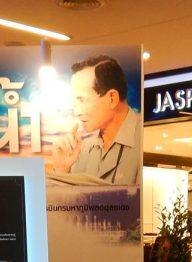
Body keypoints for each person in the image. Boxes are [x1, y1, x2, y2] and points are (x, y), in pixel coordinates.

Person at [51, 55, 141, 185]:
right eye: (75, 102)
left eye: (82, 100)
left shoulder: (144, 140)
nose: (77, 112)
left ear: (112, 98)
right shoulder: (81, 149)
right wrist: (62, 168)